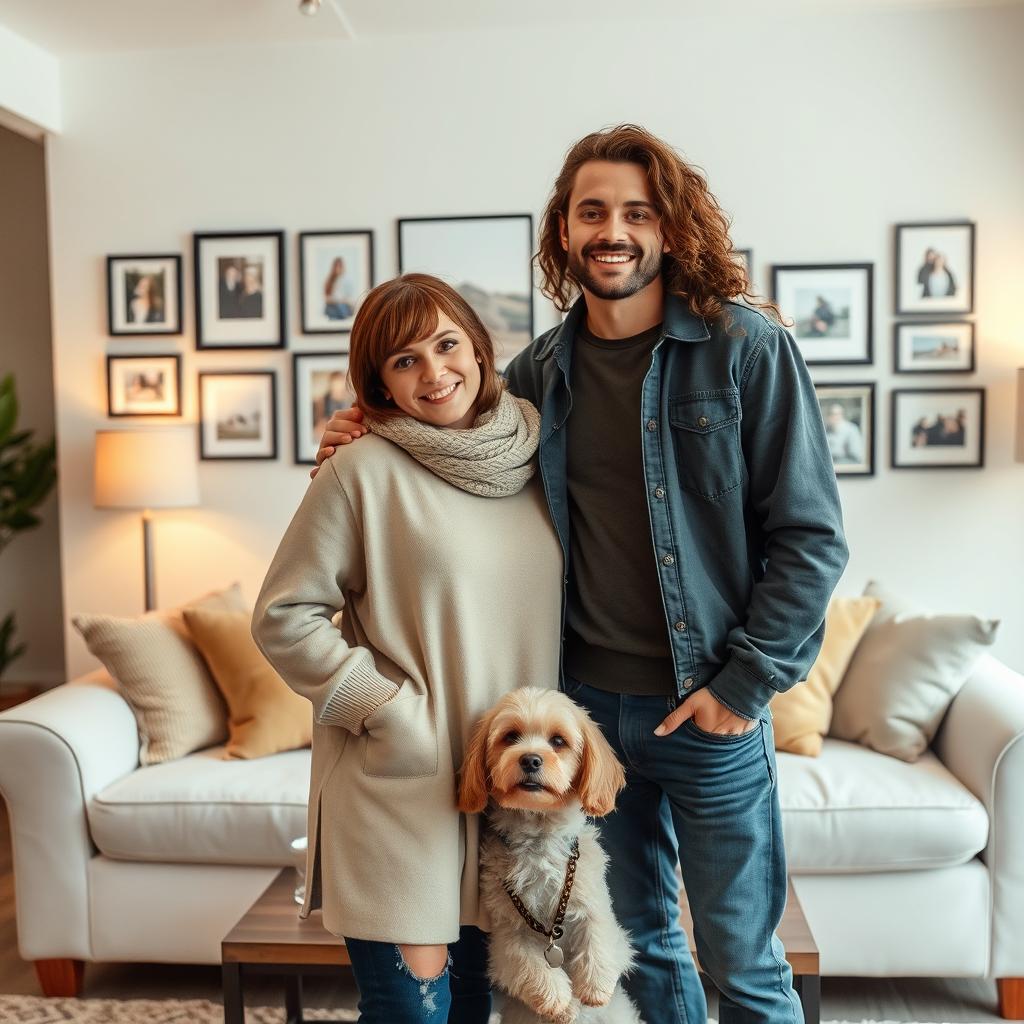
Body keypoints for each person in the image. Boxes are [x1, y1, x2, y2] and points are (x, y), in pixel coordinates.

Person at [314, 124, 849, 1024]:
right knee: (644, 951)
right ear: (563, 230)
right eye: (591, 211)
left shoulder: (745, 349)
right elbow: (455, 440)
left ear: (671, 229)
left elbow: (811, 539)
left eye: (637, 213)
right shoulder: (539, 374)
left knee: (745, 965)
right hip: (590, 713)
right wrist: (358, 427)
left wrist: (741, 689)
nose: (614, 230)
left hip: (711, 711)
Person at [252, 273, 562, 1024]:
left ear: (481, 349)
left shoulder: (541, 458)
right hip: (405, 787)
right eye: (404, 361)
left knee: (470, 1013)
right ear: (379, 384)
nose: (434, 372)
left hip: (506, 795)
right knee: (411, 1014)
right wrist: (387, 710)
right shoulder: (360, 471)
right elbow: (283, 615)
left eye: (447, 344)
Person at [324, 256, 356, 320]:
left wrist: (342, 301)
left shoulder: (347, 280)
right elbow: (327, 299)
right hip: (333, 306)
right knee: (332, 308)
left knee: (341, 307)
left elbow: (348, 298)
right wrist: (336, 300)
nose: (338, 269)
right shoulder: (329, 281)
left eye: (340, 266)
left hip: (343, 305)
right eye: (336, 266)